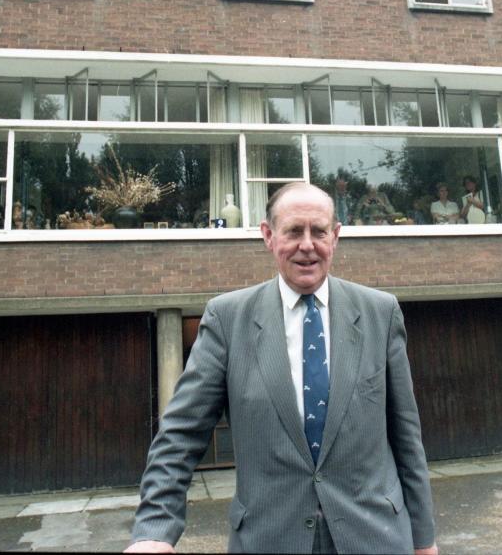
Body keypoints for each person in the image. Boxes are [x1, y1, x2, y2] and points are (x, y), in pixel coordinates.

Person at [126, 182, 437, 555]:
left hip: (377, 537)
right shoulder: (228, 320)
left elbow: (406, 439)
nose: (307, 245)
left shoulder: (380, 313)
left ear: (335, 237)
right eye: (293, 231)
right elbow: (179, 435)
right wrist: (153, 531)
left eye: (319, 231)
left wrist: (424, 540)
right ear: (268, 236)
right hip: (268, 538)